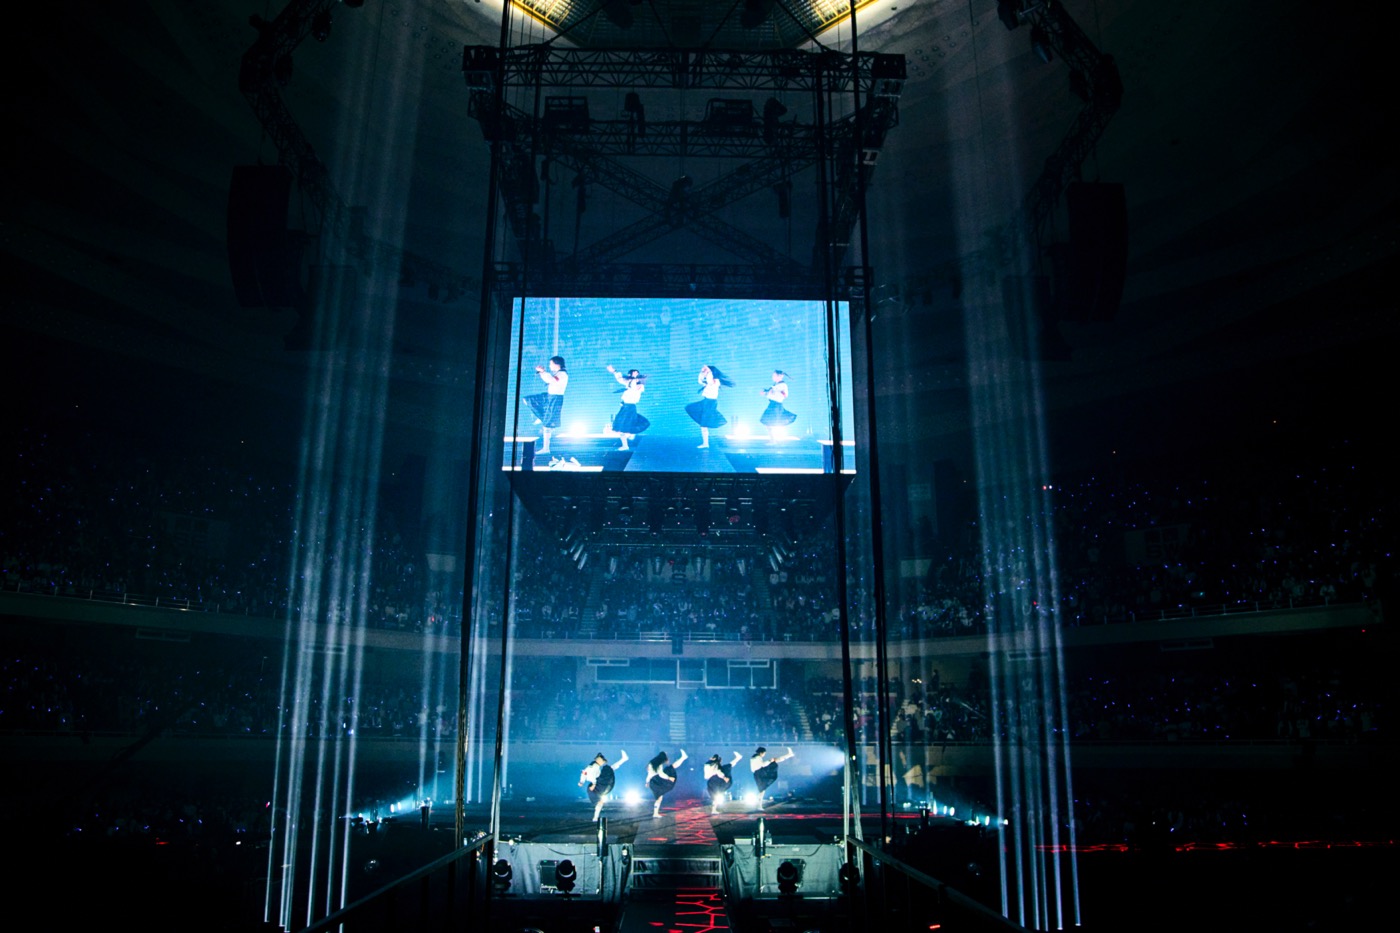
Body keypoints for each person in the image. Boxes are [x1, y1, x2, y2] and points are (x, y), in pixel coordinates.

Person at [525, 356, 568, 455]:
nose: (550, 366)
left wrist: (543, 372)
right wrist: (542, 373)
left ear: (557, 364)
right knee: (528, 400)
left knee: (547, 425)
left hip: (555, 399)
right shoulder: (558, 373)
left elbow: (551, 380)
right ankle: (542, 417)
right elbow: (549, 380)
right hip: (549, 397)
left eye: (551, 364)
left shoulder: (562, 374)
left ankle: (546, 448)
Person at [685, 364, 734, 448]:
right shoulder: (709, 382)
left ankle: (705, 443)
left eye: (708, 372)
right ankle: (705, 443)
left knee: (704, 425)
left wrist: (708, 371)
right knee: (690, 408)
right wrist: (702, 373)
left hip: (710, 403)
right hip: (705, 402)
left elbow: (710, 380)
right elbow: (700, 381)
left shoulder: (715, 381)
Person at [606, 364, 650, 450]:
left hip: (630, 407)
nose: (636, 374)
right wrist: (614, 371)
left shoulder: (639, 385)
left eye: (637, 373)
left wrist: (634, 380)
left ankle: (630, 434)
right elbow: (620, 379)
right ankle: (625, 444)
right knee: (619, 426)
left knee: (625, 425)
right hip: (624, 407)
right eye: (634, 373)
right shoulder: (629, 382)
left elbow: (635, 387)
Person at [579, 749, 629, 822]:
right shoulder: (595, 766)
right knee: (609, 769)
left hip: (596, 784)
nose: (603, 763)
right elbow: (590, 775)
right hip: (597, 785)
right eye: (603, 761)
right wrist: (593, 783)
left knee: (609, 769)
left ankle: (595, 818)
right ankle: (595, 817)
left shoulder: (592, 765)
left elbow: (584, 773)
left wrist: (581, 781)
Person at [645, 749, 688, 818]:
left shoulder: (651, 763)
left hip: (653, 782)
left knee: (659, 798)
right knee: (671, 768)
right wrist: (669, 778)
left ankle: (655, 813)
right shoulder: (659, 764)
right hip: (657, 781)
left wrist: (647, 782)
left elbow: (649, 775)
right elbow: (661, 774)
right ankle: (683, 758)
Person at [758, 370, 798, 439]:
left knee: (773, 423)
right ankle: (773, 439)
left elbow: (783, 395)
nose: (773, 377)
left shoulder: (782, 385)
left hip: (776, 405)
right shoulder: (775, 385)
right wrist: (765, 393)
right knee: (768, 423)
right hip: (772, 404)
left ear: (780, 376)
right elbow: (770, 393)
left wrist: (771, 392)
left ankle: (774, 439)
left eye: (774, 375)